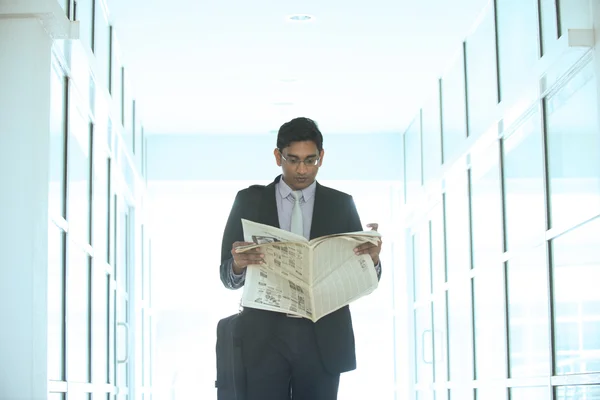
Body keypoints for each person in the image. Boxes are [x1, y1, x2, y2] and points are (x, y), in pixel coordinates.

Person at [219, 117, 382, 400]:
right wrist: (238, 264)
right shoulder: (248, 201)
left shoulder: (341, 204)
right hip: (264, 337)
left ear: (322, 157)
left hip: (323, 337)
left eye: (311, 160)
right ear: (277, 156)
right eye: (293, 160)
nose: (303, 169)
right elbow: (226, 276)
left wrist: (373, 261)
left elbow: (363, 278)